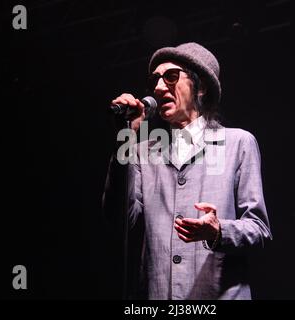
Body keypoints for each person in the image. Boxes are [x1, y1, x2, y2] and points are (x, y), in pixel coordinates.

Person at [102, 42, 271, 300]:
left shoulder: (238, 143)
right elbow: (120, 220)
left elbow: (259, 230)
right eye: (154, 80)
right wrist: (125, 137)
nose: (158, 88)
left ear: (201, 87)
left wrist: (218, 231)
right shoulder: (141, 152)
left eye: (170, 76)